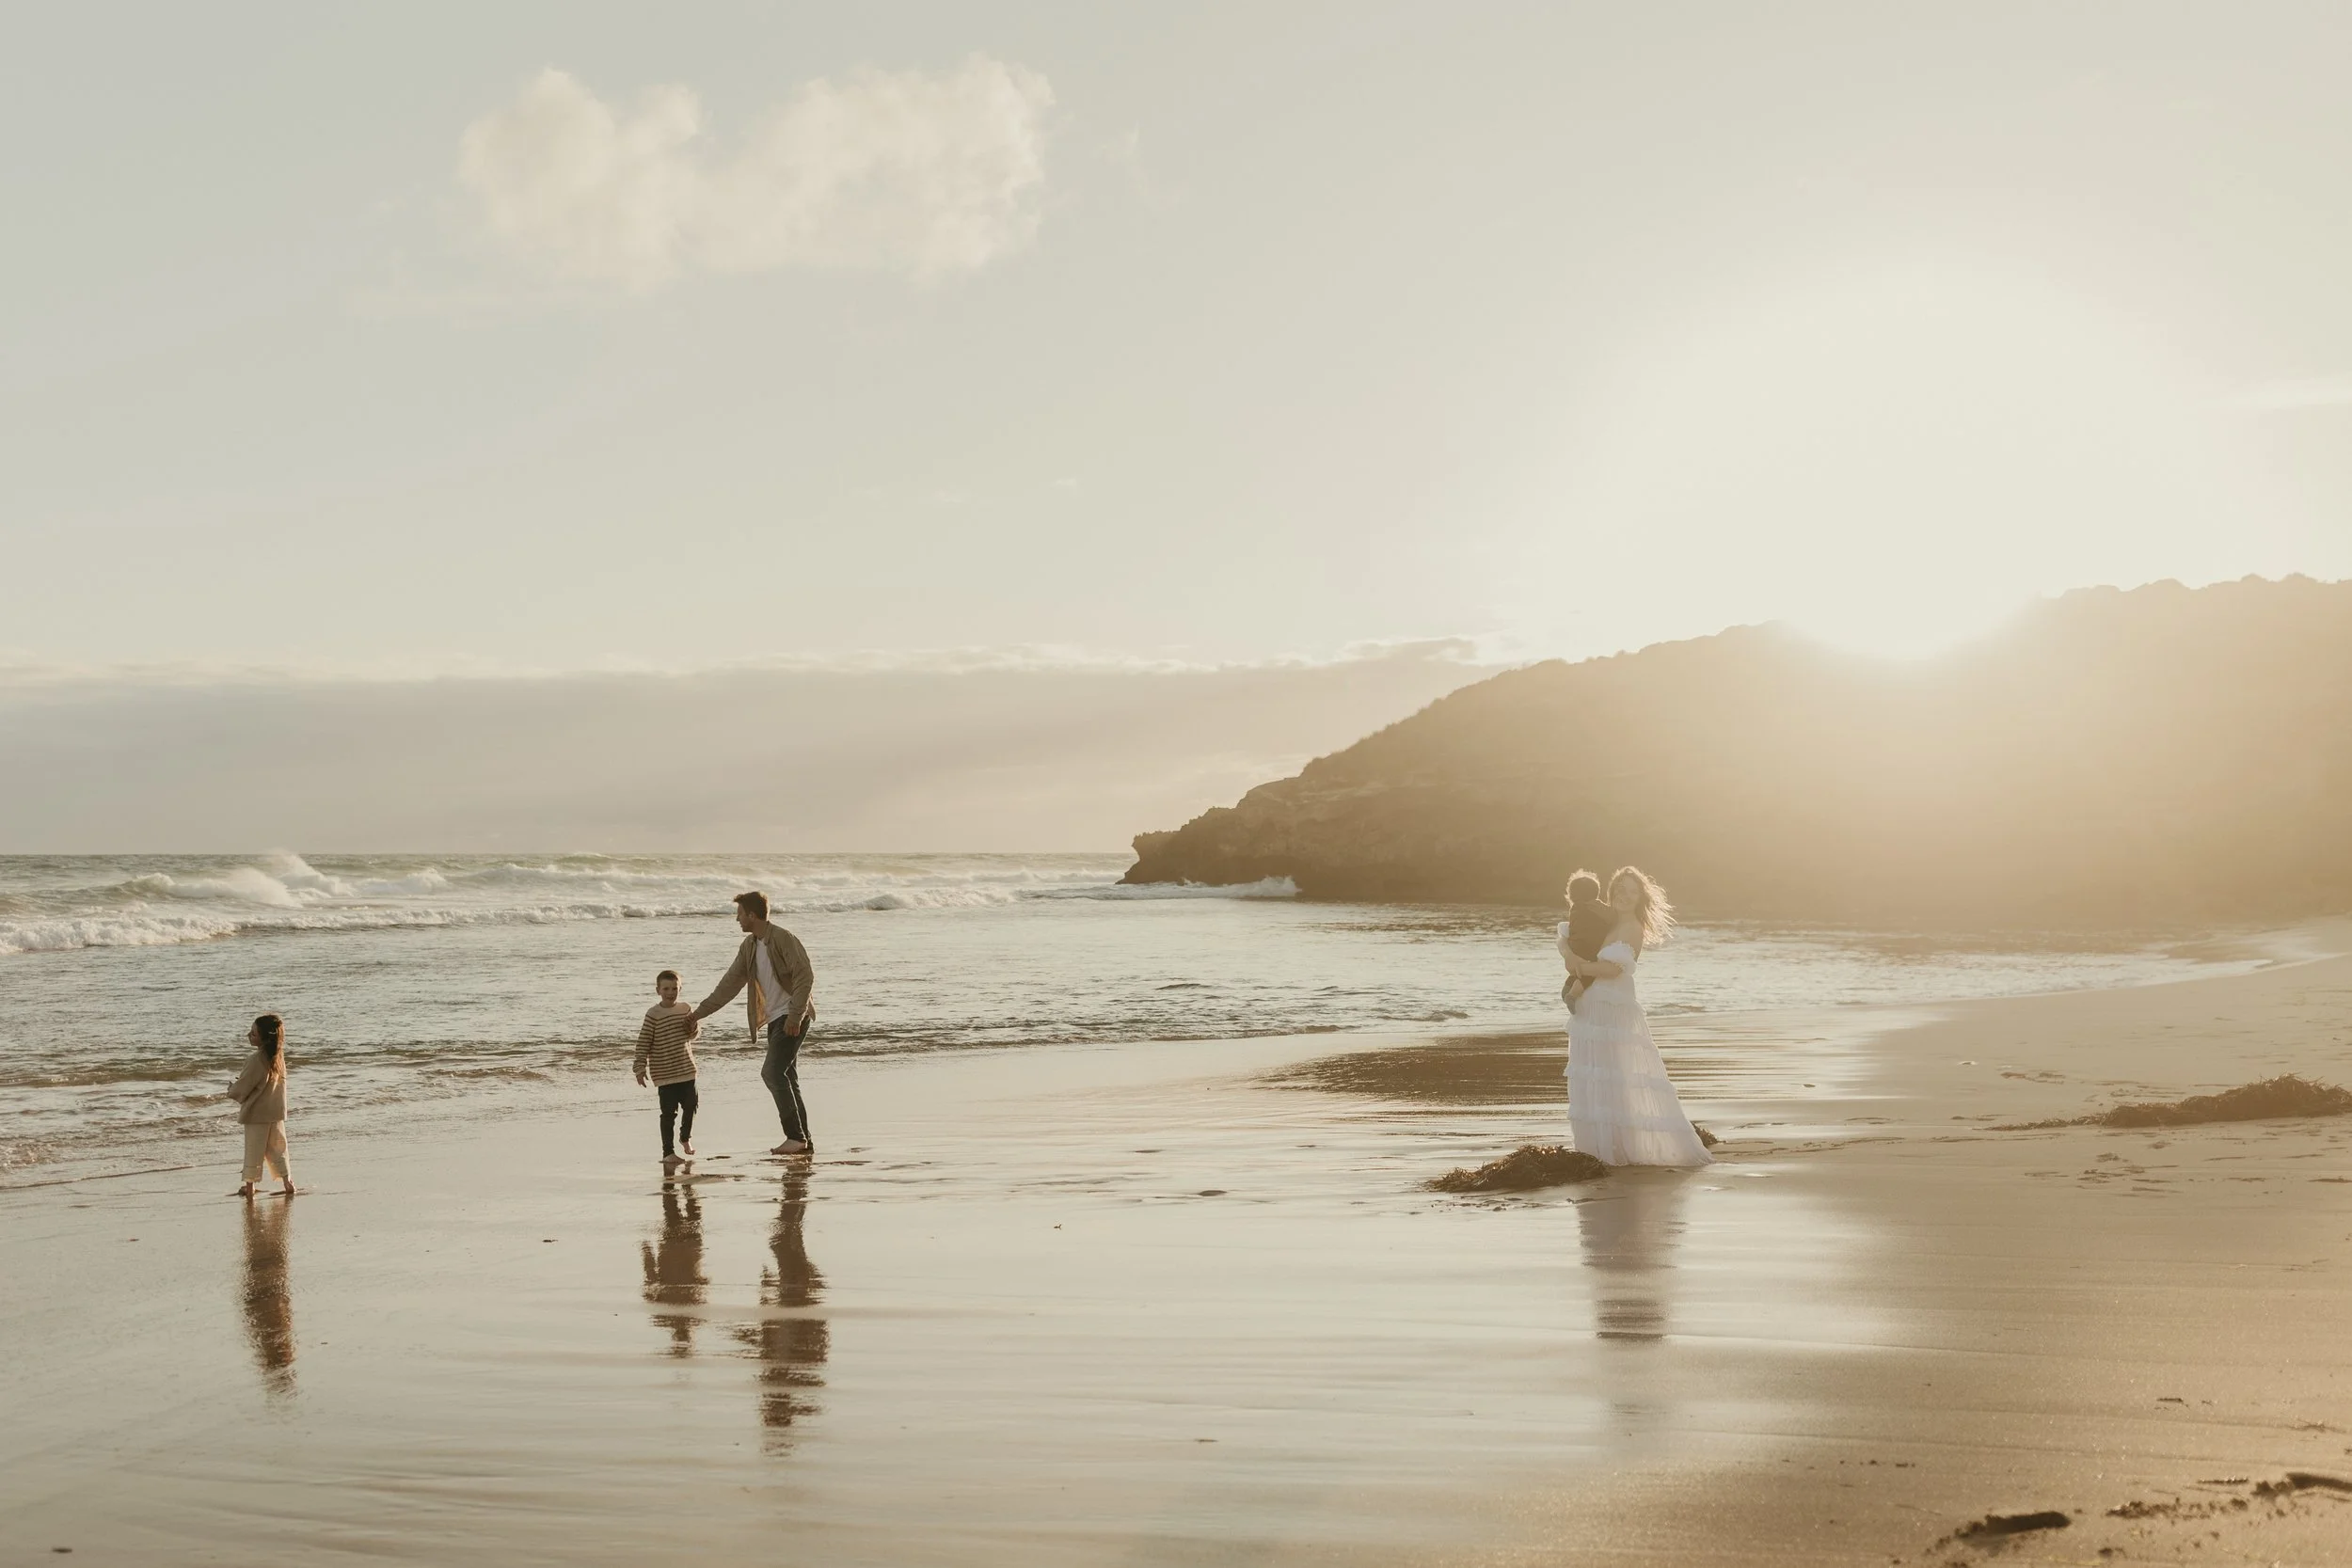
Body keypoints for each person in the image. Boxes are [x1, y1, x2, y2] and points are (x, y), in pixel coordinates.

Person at [1557, 867, 1711, 1168]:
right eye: (1619, 888)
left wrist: (1578, 966)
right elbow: (1571, 940)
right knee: (1593, 1077)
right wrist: (1569, 955)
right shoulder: (1604, 920)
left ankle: (1619, 1149)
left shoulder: (1632, 928)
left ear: (1640, 898)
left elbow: (1612, 969)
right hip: (1589, 1012)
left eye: (1631, 891)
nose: (1624, 895)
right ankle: (1597, 1148)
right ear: (1610, 891)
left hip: (1613, 1011)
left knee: (1615, 1077)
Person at [689, 892, 818, 1157]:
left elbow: (805, 975)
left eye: (740, 914)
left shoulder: (783, 938)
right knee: (787, 1077)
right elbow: (728, 985)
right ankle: (803, 1140)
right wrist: (697, 1014)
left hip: (792, 1015)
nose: (737, 919)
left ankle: (795, 1137)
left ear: (752, 915)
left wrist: (795, 1016)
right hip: (775, 1018)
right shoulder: (749, 946)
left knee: (772, 1073)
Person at [634, 968, 702, 1164]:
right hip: (664, 1073)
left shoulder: (685, 1008)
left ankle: (685, 1137)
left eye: (674, 988)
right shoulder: (653, 1014)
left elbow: (693, 1035)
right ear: (658, 990)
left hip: (686, 1069)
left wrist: (693, 1026)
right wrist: (639, 1068)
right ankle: (668, 1153)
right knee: (668, 1114)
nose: (670, 993)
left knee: (691, 1105)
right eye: (666, 989)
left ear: (680, 989)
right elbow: (643, 1042)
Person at [227, 1012, 296, 1198]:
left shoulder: (255, 1059)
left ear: (264, 1038)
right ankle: (288, 1182)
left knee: (254, 1151)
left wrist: (232, 1089)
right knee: (278, 1148)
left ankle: (250, 1188)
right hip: (275, 1112)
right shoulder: (278, 1056)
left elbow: (245, 1085)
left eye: (253, 1033)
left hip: (257, 1114)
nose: (249, 1035)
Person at [1556, 869, 1613, 1013]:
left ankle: (1567, 988)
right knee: (1589, 973)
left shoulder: (1575, 908)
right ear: (1596, 893)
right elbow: (1611, 919)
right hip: (1590, 947)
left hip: (1575, 945)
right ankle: (1573, 995)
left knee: (1577, 972)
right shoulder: (1597, 907)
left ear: (1571, 896)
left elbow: (1570, 929)